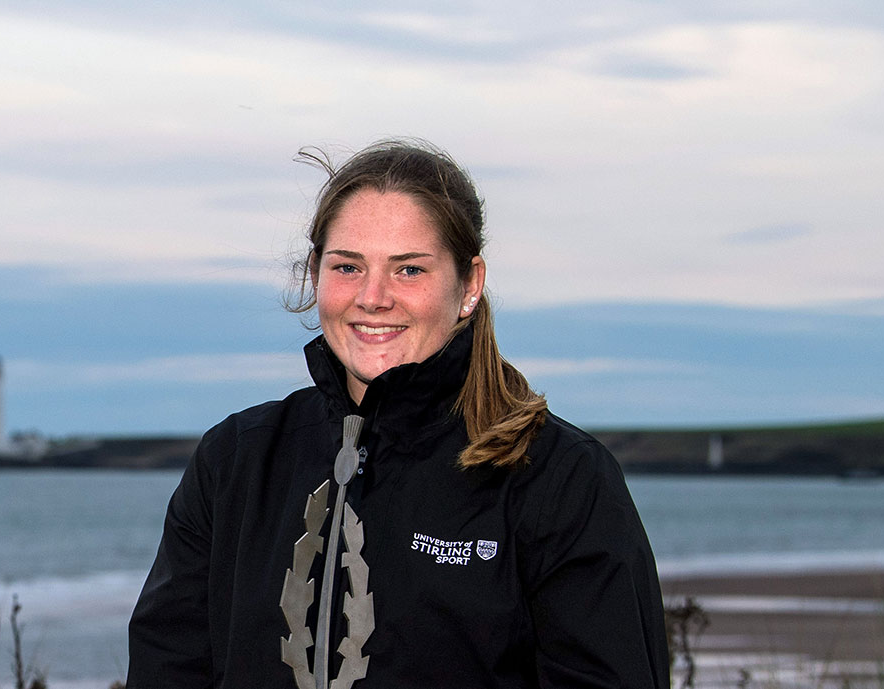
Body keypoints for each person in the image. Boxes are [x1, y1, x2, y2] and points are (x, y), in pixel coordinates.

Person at [127, 140, 668, 688]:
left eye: (409, 270)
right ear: (317, 274)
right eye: (348, 266)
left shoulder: (559, 478)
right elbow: (166, 667)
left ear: (469, 284)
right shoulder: (237, 460)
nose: (373, 297)